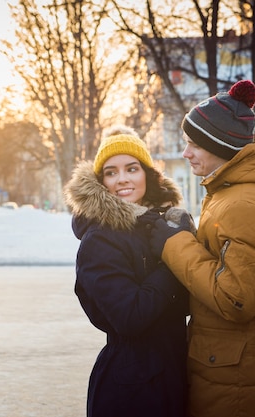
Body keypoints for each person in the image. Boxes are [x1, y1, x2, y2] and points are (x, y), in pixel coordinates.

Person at [148, 80, 255, 417]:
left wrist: (174, 243)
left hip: (240, 386)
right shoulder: (235, 194)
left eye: (193, 145)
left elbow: (237, 299)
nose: (185, 153)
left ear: (220, 146)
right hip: (237, 372)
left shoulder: (245, 203)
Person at [63, 126, 194, 417]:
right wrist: (172, 257)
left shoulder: (155, 227)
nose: (122, 179)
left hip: (174, 375)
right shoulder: (100, 239)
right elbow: (129, 317)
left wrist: (188, 248)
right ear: (101, 182)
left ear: (147, 173)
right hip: (131, 390)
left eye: (131, 169)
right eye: (111, 172)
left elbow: (187, 303)